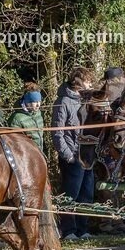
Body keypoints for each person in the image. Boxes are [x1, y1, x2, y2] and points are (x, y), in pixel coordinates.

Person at [52, 68, 96, 240]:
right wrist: (67, 155)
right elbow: (57, 132)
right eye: (88, 81)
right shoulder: (63, 101)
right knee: (71, 194)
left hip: (88, 155)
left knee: (86, 194)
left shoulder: (87, 100)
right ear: (78, 81)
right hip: (72, 156)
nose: (90, 84)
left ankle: (82, 228)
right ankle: (68, 229)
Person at [9, 83, 45, 151]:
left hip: (39, 153)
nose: (38, 105)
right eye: (34, 102)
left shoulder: (38, 113)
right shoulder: (16, 118)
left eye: (39, 101)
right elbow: (15, 143)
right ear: (27, 102)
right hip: (26, 155)